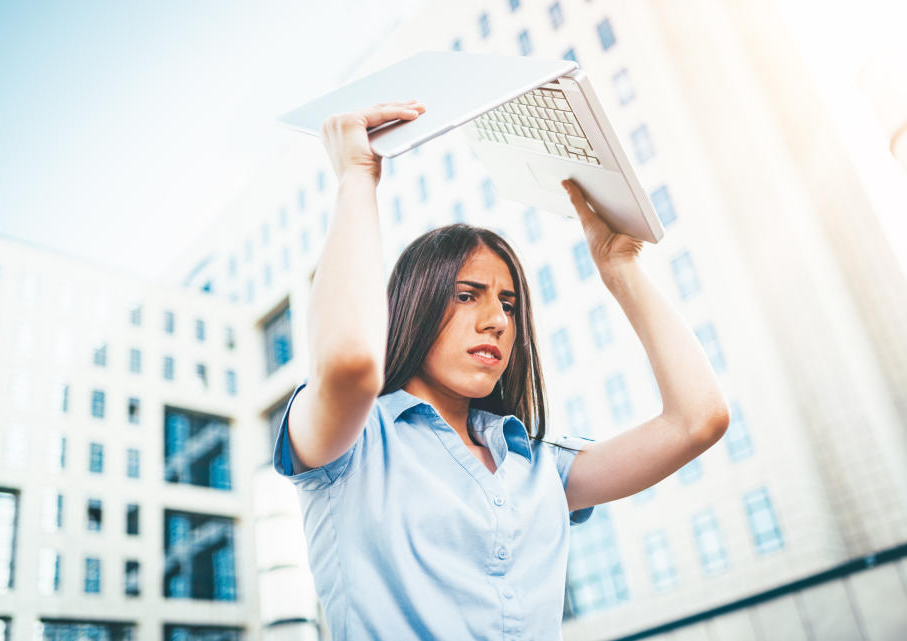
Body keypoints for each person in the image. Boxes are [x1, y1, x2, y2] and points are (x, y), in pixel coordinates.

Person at [273, 100, 730, 640]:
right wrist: (356, 177)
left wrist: (619, 266)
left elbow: (699, 420)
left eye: (510, 305)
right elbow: (349, 364)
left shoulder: (538, 466)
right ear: (416, 305)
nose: (497, 321)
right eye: (469, 296)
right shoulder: (354, 447)